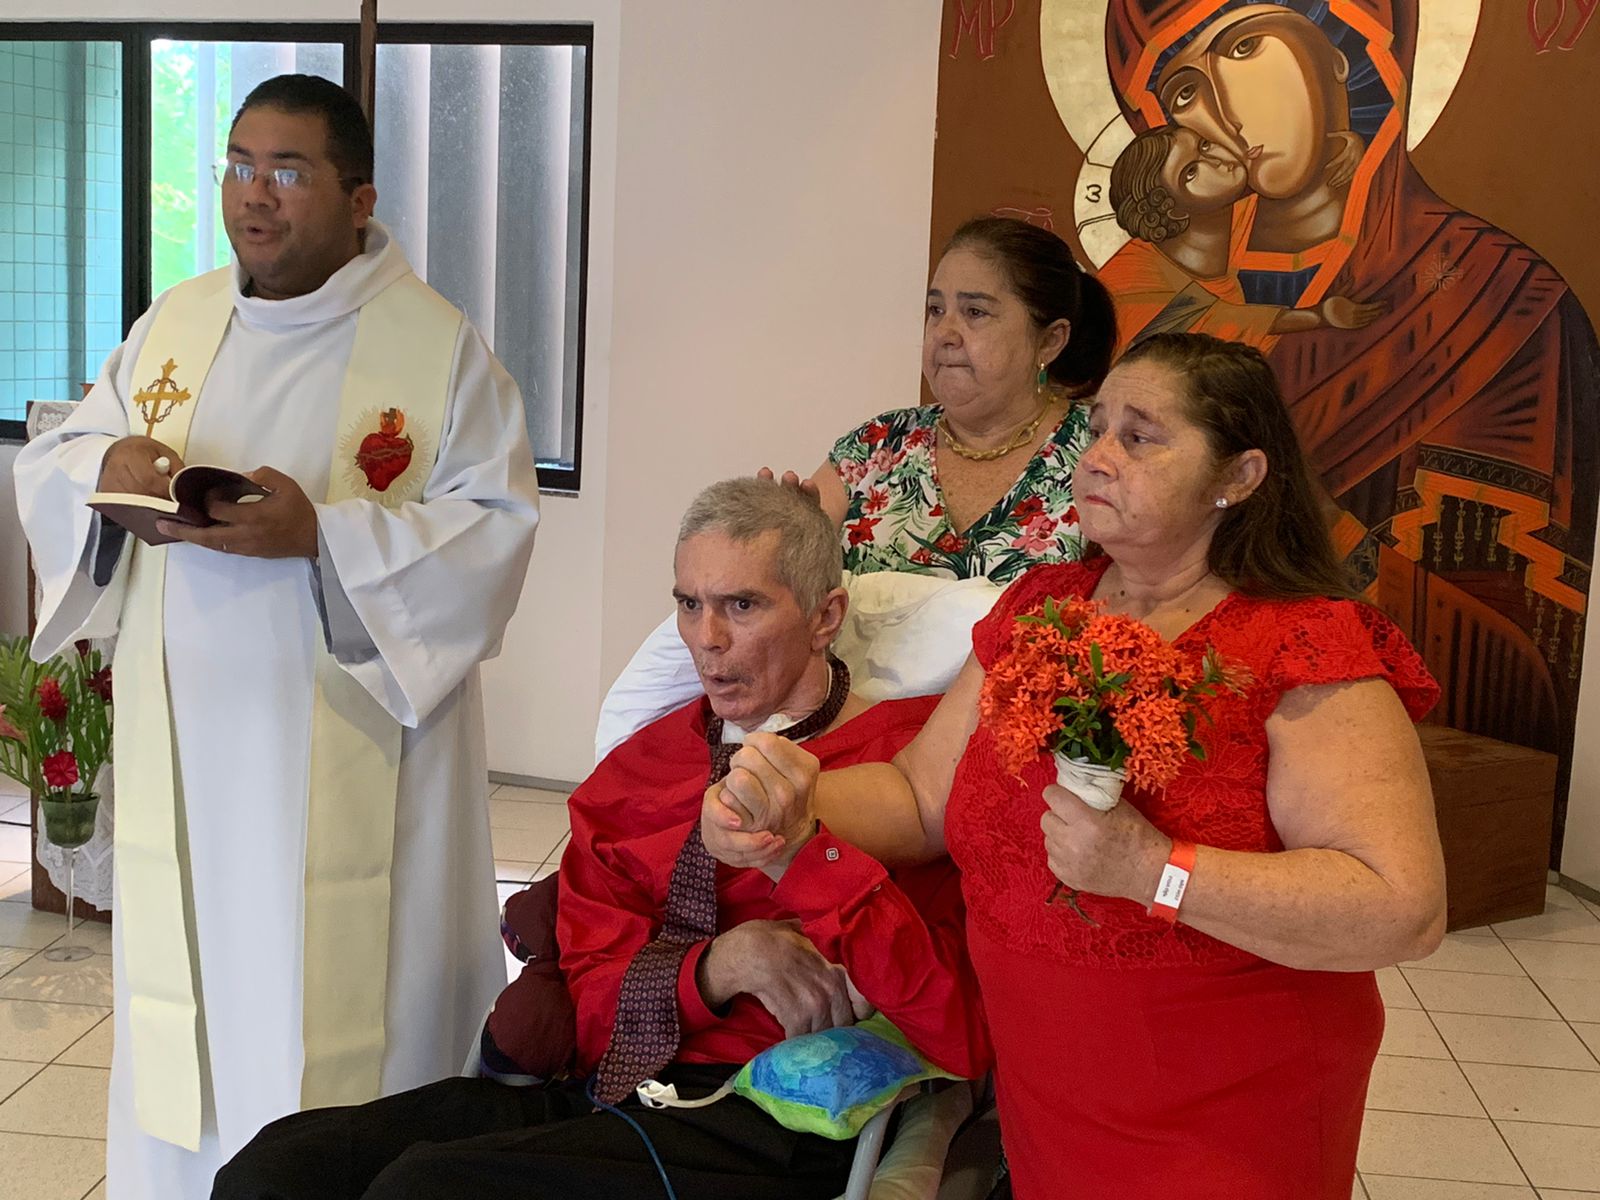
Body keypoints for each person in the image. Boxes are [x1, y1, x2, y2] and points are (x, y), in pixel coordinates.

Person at [705, 334, 1448, 1199]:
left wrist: (1153, 872)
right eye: (1097, 429)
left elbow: (1400, 908)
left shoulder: (1302, 644)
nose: (1096, 457)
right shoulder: (1042, 606)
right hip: (1048, 1091)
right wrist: (793, 804)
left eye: (1140, 437)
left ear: (1238, 478)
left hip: (1229, 1107)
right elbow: (918, 796)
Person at [14, 74, 540, 1199]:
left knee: (339, 1044)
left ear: (359, 198)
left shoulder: (438, 349)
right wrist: (104, 469)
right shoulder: (178, 320)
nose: (255, 196)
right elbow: (67, 451)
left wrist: (326, 538)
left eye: (289, 171)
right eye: (240, 166)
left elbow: (492, 535)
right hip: (189, 754)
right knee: (192, 1026)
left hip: (352, 753)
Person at [213, 477, 989, 1200]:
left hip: (763, 1122)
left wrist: (810, 859)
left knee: (429, 1190)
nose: (706, 639)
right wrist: (716, 968)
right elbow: (584, 1004)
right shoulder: (638, 771)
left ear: (825, 616)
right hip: (603, 1089)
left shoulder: (900, 771)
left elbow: (957, 1026)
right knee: (276, 1171)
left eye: (743, 606)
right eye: (689, 604)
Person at [1098, 0, 1600, 769]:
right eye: (1186, 89)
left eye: (1244, 46)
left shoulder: (1493, 303)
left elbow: (1519, 666)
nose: (1223, 108)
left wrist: (1297, 529)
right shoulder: (1141, 305)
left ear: (1339, 56)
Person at [812, 215, 1117, 582]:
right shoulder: (877, 444)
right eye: (936, 310)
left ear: (1050, 341)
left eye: (975, 312)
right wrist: (770, 536)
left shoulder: (1102, 453)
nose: (945, 333)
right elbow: (787, 578)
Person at [1103, 125, 1384, 347]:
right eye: (1191, 172)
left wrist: (1350, 146)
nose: (1217, 160)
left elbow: (1297, 179)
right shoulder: (1133, 283)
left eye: (1204, 145)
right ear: (1170, 209)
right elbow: (1211, 320)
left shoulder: (1234, 213)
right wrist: (1318, 316)